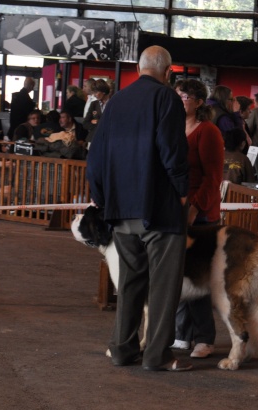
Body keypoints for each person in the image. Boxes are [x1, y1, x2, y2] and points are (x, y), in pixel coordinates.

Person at [86, 45, 191, 372]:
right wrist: (183, 192)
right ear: (169, 70)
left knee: (130, 282)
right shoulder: (167, 99)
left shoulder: (115, 102)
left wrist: (101, 197)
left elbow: (96, 156)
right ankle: (157, 355)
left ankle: (121, 348)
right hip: (159, 209)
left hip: (120, 208)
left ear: (138, 67)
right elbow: (171, 150)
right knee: (163, 286)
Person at [171, 78, 225, 359]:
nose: (180, 100)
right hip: (175, 208)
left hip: (201, 214)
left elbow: (213, 177)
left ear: (199, 102)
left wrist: (195, 208)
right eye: (178, 95)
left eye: (185, 96)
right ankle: (182, 333)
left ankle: (205, 336)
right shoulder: (175, 127)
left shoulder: (208, 131)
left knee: (197, 277)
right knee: (179, 274)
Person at [84, 79, 110, 145]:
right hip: (93, 139)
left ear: (103, 91)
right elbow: (86, 123)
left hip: (108, 139)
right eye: (94, 92)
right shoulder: (94, 104)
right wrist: (98, 125)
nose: (94, 95)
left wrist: (96, 122)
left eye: (96, 92)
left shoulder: (113, 104)